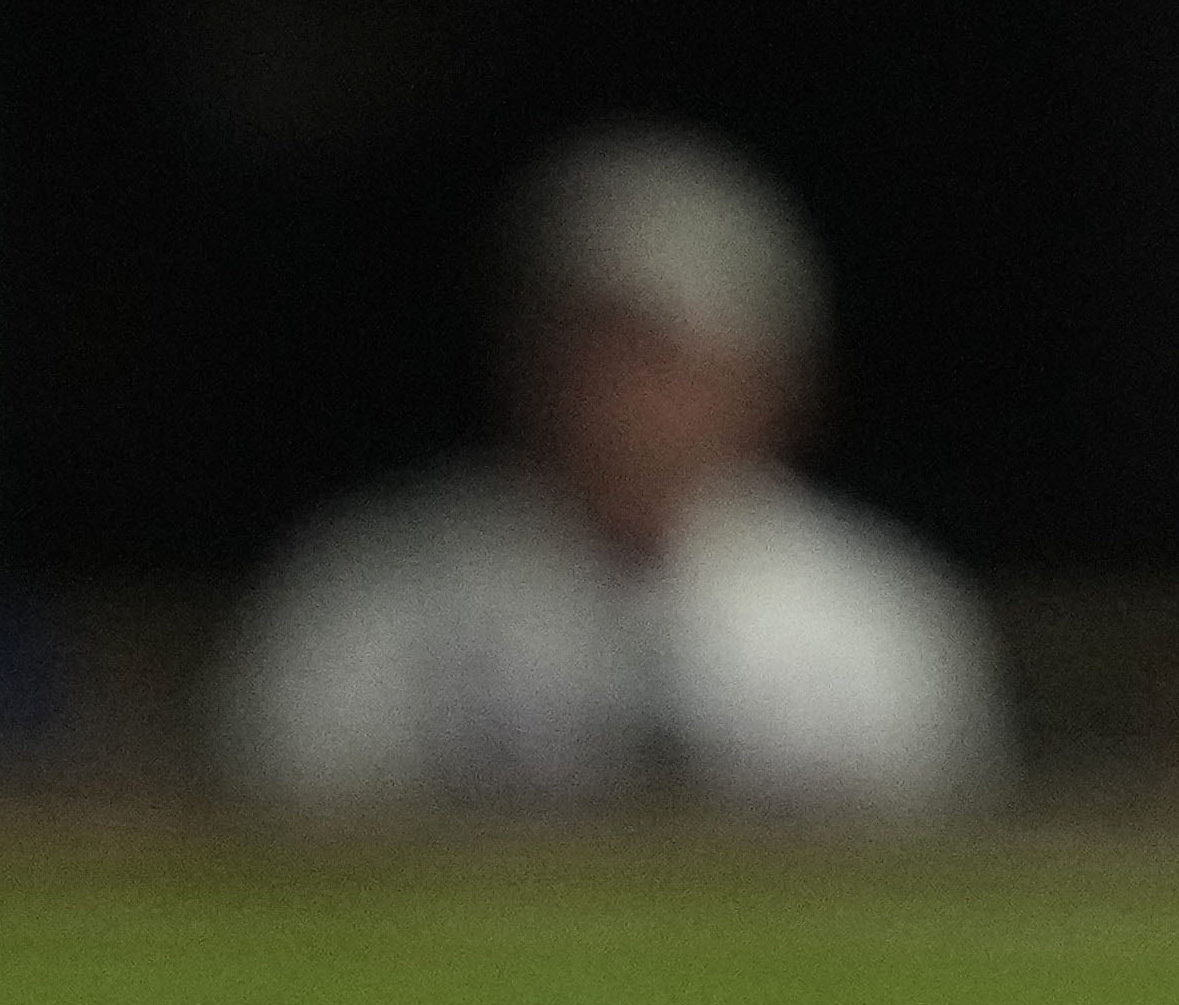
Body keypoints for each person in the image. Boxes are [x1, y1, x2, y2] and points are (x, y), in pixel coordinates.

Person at [215, 125, 1002, 819]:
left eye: (663, 354)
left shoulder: (878, 620)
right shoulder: (368, 596)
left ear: (769, 380)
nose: (620, 392)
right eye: (590, 343)